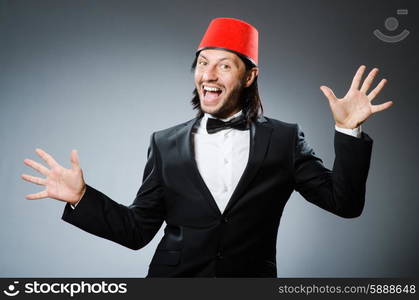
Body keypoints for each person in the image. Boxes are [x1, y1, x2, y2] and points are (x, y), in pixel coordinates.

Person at [21, 18, 393, 277]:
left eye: (224, 66)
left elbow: (344, 204)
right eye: (202, 63)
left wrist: (348, 130)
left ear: (249, 77)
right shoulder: (164, 143)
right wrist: (82, 197)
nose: (209, 75)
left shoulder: (283, 140)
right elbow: (136, 231)